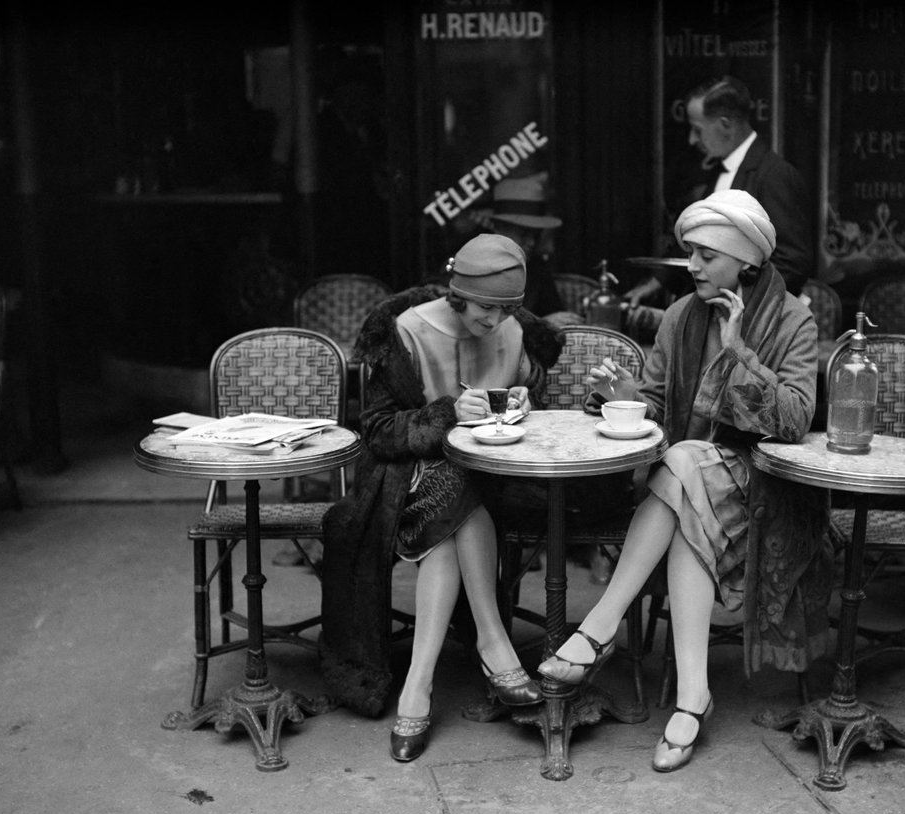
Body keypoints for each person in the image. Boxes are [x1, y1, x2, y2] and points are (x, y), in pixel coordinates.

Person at [536, 190, 831, 773]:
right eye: (690, 252)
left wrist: (738, 349)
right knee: (686, 478)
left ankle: (600, 627)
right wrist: (623, 395)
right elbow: (653, 403)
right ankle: (693, 695)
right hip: (690, 482)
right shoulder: (679, 316)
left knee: (682, 464)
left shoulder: (794, 320)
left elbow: (796, 420)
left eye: (705, 255)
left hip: (764, 483)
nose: (691, 265)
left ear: (745, 260)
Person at [315, 234, 563, 762]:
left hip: (492, 478)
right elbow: (377, 431)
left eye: (507, 309)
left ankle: (418, 685)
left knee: (457, 502)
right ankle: (493, 644)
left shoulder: (514, 331)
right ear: (458, 294)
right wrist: (446, 414)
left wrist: (524, 399)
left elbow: (523, 415)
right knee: (455, 489)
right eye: (485, 308)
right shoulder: (406, 330)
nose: (495, 320)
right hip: (404, 476)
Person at [628, 76, 816, 325]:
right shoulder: (716, 172)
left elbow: (793, 263)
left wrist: (736, 301)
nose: (692, 140)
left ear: (725, 124)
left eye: (697, 129)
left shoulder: (775, 175)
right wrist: (657, 282)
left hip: (754, 324)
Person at [481, 173, 582, 327]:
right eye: (523, 234)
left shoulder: (536, 267)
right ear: (498, 228)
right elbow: (480, 325)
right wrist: (538, 324)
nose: (532, 242)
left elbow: (554, 312)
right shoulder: (472, 265)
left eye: (536, 234)